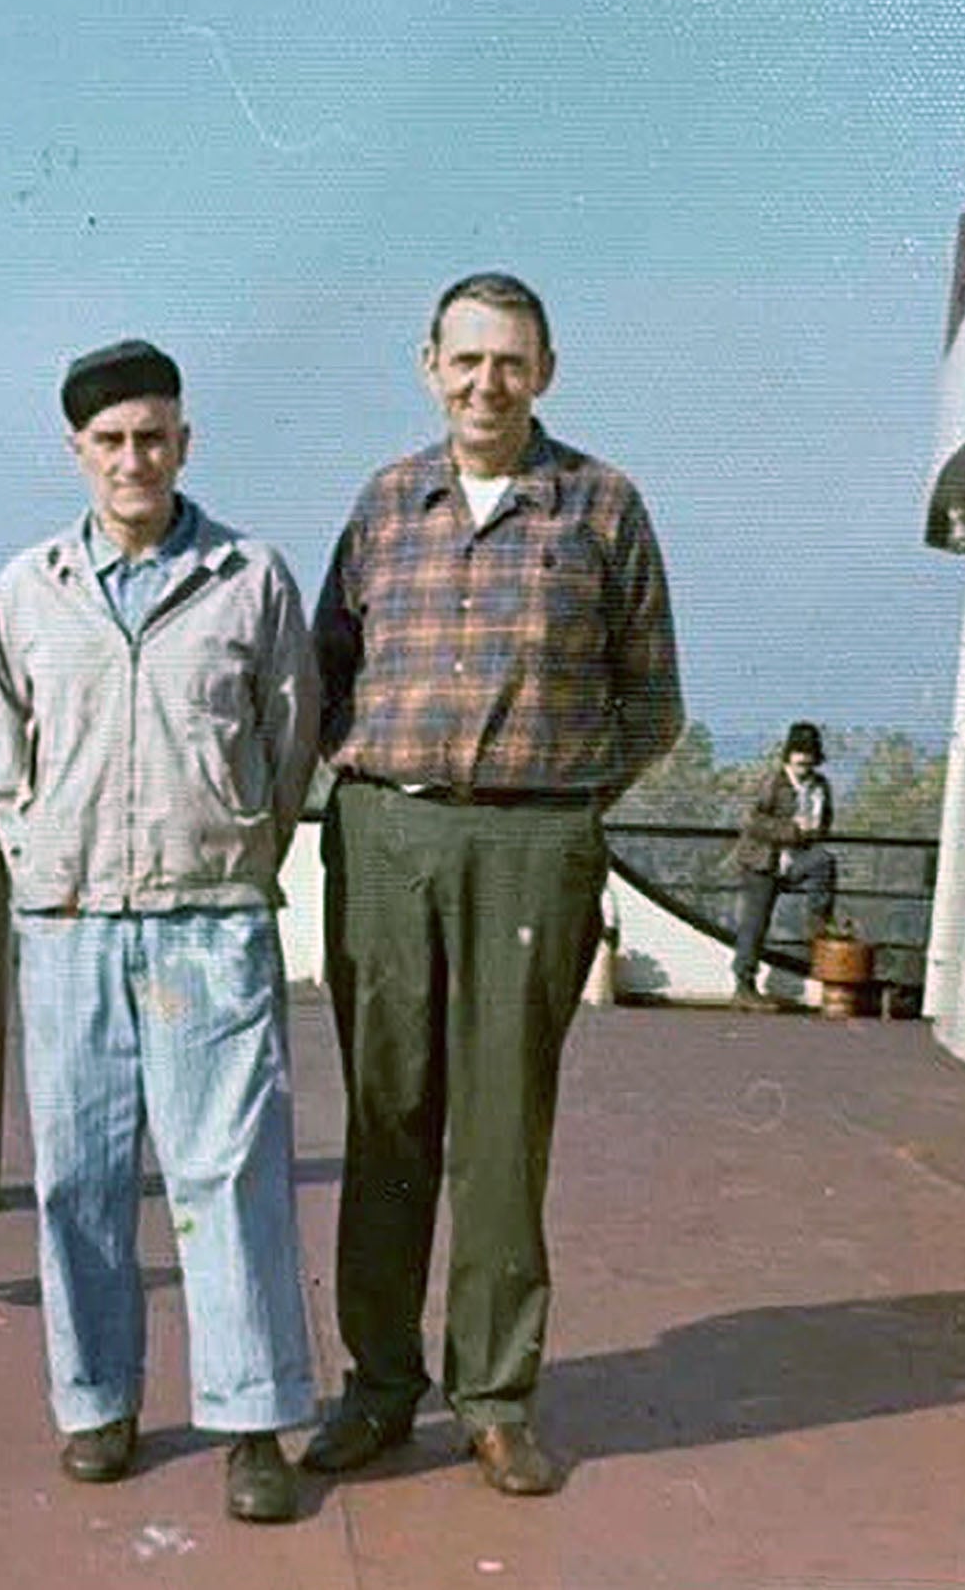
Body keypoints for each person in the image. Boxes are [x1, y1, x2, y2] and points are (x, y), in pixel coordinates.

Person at [309, 273, 682, 1495]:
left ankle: (497, 1395)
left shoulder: (603, 508)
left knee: (504, 1131)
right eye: (466, 361)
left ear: (547, 370)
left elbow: (652, 700)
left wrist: (560, 804)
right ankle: (378, 1382)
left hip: (533, 846)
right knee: (386, 1114)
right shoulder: (382, 504)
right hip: (388, 838)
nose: (487, 384)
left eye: (510, 362)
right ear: (429, 365)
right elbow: (328, 673)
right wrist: (381, 796)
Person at [0, 338, 320, 1524]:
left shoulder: (247, 577)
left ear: (185, 441)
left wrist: (229, 851)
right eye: (111, 440)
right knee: (78, 1172)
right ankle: (96, 1398)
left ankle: (252, 1416)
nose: (135, 458)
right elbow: (0, 747)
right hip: (70, 924)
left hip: (206, 925)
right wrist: (44, 866)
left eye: (153, 436)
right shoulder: (27, 588)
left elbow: (289, 739)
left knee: (227, 1175)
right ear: (79, 452)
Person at [728, 720, 838, 1011]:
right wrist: (791, 829)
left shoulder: (819, 786)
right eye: (798, 753)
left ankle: (818, 922)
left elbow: (826, 820)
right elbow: (752, 821)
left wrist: (814, 830)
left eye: (809, 754)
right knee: (754, 924)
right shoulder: (772, 782)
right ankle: (744, 986)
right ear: (789, 755)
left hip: (797, 857)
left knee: (824, 862)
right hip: (763, 862)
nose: (803, 760)